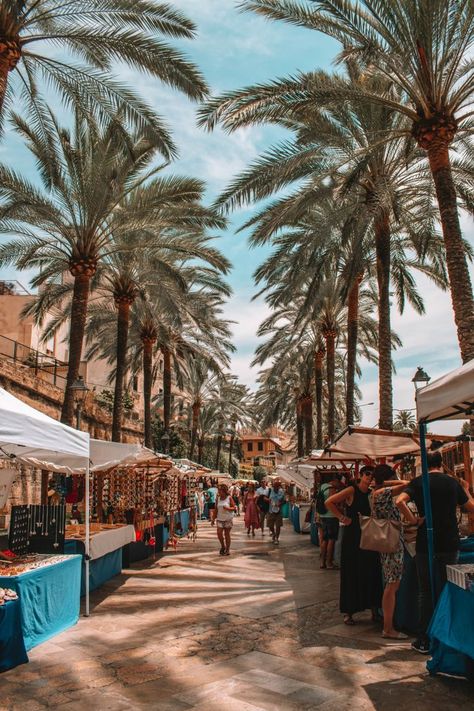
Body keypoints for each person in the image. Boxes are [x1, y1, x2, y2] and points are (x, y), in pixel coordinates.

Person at [397, 450, 474, 654]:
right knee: (447, 589)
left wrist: (414, 520)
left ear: (425, 463)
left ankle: (424, 639)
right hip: (449, 542)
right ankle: (447, 638)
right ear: (440, 463)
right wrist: (465, 489)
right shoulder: (452, 483)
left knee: (425, 591)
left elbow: (399, 501)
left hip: (426, 542)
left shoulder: (418, 482)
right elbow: (471, 507)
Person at [325, 466, 383, 626]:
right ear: (360, 475)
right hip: (352, 537)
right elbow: (329, 502)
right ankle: (348, 612)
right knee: (351, 572)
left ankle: (374, 609)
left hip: (368, 536)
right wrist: (342, 517)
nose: (370, 477)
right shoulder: (352, 490)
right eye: (367, 474)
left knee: (371, 571)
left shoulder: (372, 493)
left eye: (372, 475)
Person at [371, 464, 418, 639]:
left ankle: (388, 625)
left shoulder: (377, 493)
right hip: (392, 544)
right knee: (392, 585)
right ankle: (388, 628)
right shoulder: (382, 493)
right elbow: (408, 483)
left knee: (391, 584)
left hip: (388, 543)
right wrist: (389, 481)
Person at [317, 472, 342, 570]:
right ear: (335, 481)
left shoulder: (322, 486)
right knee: (331, 540)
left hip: (323, 516)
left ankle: (322, 562)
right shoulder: (331, 489)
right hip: (331, 516)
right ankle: (329, 562)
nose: (338, 485)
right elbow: (333, 504)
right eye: (338, 483)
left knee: (324, 539)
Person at [216, 483, 236, 555]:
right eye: (218, 490)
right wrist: (212, 519)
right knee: (219, 533)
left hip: (228, 519)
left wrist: (228, 508)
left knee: (227, 534)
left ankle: (227, 549)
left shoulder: (229, 498)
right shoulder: (217, 498)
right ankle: (223, 546)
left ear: (224, 491)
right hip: (219, 519)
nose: (219, 492)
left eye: (220, 490)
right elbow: (216, 509)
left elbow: (234, 508)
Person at [267, 479, 285, 544]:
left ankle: (277, 538)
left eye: (277, 486)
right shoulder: (270, 491)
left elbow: (284, 501)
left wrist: (280, 504)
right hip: (271, 510)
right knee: (270, 525)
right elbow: (266, 498)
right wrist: (267, 500)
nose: (275, 488)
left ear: (279, 487)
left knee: (278, 525)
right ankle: (274, 534)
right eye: (274, 486)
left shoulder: (281, 492)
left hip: (279, 511)